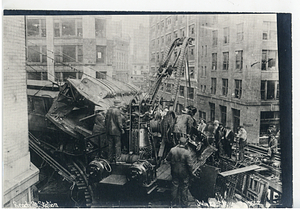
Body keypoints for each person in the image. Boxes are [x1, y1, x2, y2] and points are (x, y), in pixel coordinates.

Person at [166, 137, 194, 208]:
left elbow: (167, 158)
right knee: (184, 188)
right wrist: (191, 174)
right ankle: (184, 205)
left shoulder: (172, 150)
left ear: (179, 142)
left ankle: (174, 204)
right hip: (184, 173)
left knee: (175, 186)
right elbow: (190, 165)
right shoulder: (187, 153)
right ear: (186, 143)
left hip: (174, 171)